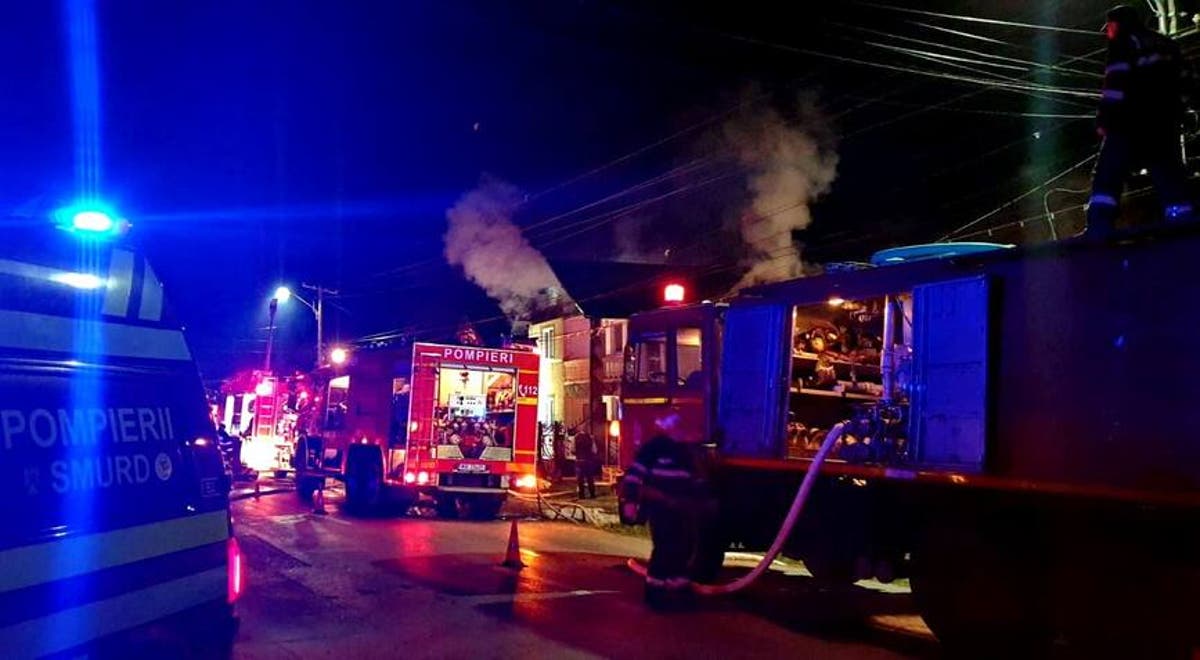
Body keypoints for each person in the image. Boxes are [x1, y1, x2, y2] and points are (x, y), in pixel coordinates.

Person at [1085, 4, 1194, 238]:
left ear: (1118, 25)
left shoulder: (1124, 42)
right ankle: (1183, 223)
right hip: (1163, 124)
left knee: (1108, 174)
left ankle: (1099, 227)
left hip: (1129, 122)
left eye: (1109, 27)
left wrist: (1104, 121)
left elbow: (1116, 84)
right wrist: (1179, 110)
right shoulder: (1166, 44)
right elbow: (1188, 80)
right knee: (1168, 171)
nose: (1108, 32)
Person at [619, 409, 703, 610]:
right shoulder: (654, 448)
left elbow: (694, 478)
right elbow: (634, 476)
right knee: (665, 548)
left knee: (683, 548)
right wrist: (631, 502)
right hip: (660, 508)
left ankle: (678, 591)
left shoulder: (683, 451)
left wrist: (703, 500)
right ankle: (655, 594)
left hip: (681, 508)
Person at [573, 430, 598, 499]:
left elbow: (573, 450)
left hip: (579, 461)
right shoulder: (590, 437)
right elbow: (594, 450)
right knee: (590, 479)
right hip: (588, 461)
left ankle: (581, 495)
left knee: (580, 480)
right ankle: (592, 494)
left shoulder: (576, 437)